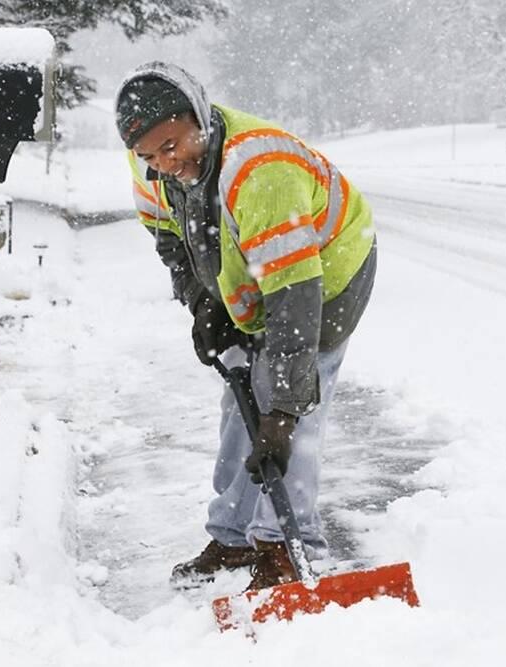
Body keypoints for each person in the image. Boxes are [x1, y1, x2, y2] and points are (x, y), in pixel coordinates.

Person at [115, 62, 377, 591]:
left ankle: (288, 546)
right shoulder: (151, 161)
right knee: (240, 402)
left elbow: (295, 304)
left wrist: (282, 412)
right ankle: (234, 537)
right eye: (150, 155)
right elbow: (171, 239)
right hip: (257, 270)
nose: (165, 163)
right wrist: (202, 302)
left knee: (291, 409)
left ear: (200, 120)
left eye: (173, 146)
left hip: (327, 275)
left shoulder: (261, 170)